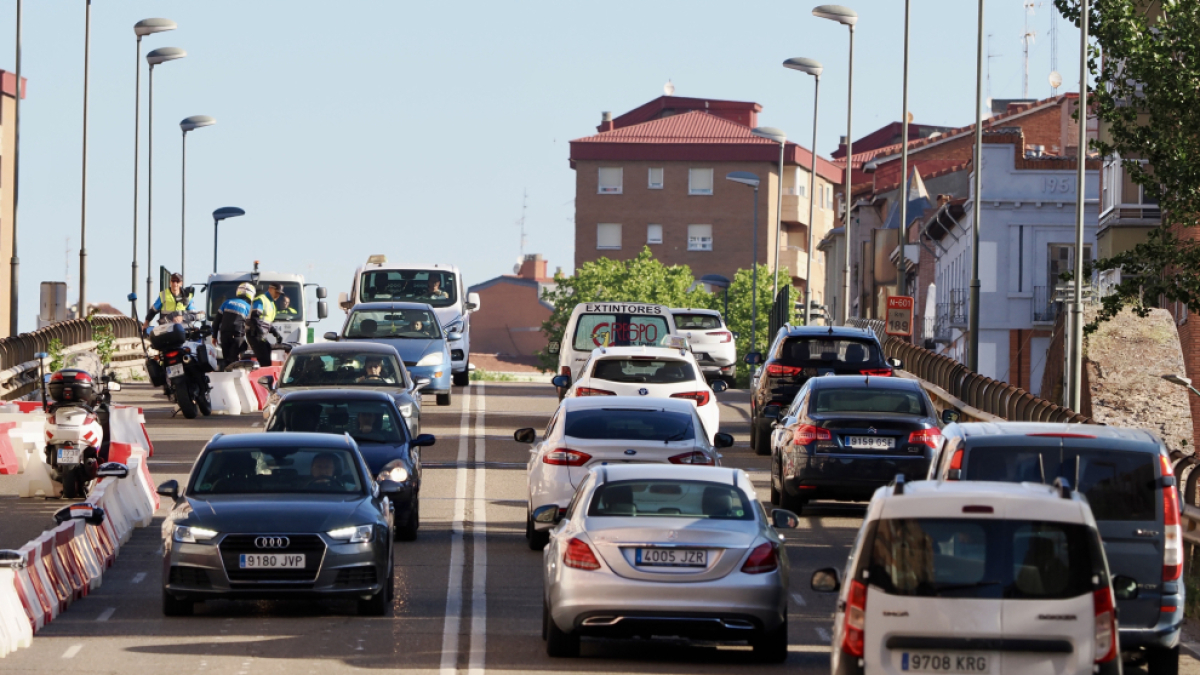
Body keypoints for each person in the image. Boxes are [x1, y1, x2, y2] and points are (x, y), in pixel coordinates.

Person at [214, 283, 254, 367]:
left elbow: (217, 320)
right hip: (237, 336)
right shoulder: (248, 307)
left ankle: (225, 377)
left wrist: (214, 337)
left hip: (224, 336)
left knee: (226, 360)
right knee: (235, 361)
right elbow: (251, 326)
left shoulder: (227, 302)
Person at [247, 284, 284, 367]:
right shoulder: (261, 300)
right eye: (277, 292)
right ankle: (264, 379)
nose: (278, 295)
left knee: (267, 353)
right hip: (254, 334)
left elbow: (267, 323)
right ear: (270, 289)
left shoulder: (272, 304)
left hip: (261, 336)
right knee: (265, 360)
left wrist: (276, 334)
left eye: (279, 294)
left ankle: (265, 377)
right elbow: (254, 317)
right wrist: (259, 331)